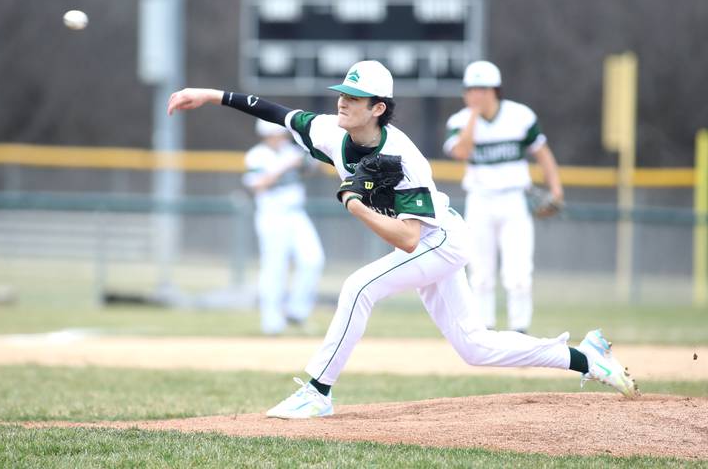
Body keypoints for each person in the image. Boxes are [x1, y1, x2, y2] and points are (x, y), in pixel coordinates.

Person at [167, 60, 637, 419]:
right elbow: (272, 111)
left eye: (356, 97)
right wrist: (206, 94)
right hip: (432, 241)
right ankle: (585, 357)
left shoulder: (404, 156)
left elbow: (410, 239)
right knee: (475, 348)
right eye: (343, 93)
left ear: (379, 107)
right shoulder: (331, 131)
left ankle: (317, 393)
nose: (343, 102)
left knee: (358, 287)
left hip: (440, 239)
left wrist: (354, 203)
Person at [443, 60, 564, 334]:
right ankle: (484, 331)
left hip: (514, 201)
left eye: (482, 89)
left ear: (495, 90)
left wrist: (556, 189)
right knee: (481, 274)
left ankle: (519, 330)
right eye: (471, 89)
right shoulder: (459, 121)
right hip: (480, 200)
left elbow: (542, 153)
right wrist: (473, 116)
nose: (475, 94)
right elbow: (461, 151)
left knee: (519, 274)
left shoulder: (520, 116)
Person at [243, 119, 325, 335]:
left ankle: (297, 311)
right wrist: (284, 166)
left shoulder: (292, 151)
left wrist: (308, 157)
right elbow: (257, 185)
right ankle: (271, 321)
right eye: (276, 134)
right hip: (272, 215)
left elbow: (313, 167)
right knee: (274, 268)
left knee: (313, 259)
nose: (280, 138)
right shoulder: (257, 155)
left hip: (297, 213)